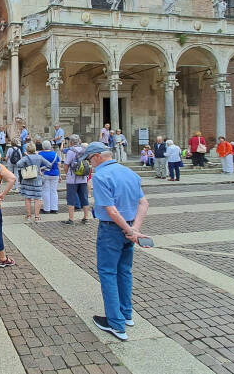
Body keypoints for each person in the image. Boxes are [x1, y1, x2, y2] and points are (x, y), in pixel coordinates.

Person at [83, 142, 150, 342]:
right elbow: (143, 202)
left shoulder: (102, 176)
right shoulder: (129, 172)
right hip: (129, 227)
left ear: (96, 157)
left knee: (108, 272)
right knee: (124, 271)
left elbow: (111, 211)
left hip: (112, 229)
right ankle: (126, 314)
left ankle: (115, 323)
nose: (89, 164)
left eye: (89, 160)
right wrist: (134, 229)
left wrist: (129, 230)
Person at [17, 142, 52, 222]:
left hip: (27, 180)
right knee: (38, 198)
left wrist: (26, 167)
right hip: (37, 179)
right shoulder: (39, 157)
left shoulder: (26, 158)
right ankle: (37, 216)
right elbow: (49, 165)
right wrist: (41, 170)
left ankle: (29, 216)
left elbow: (18, 164)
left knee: (28, 198)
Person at [63, 134, 91, 224]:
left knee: (71, 198)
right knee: (84, 198)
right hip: (83, 178)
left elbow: (66, 164)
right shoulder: (84, 150)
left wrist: (67, 174)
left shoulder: (71, 151)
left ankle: (71, 219)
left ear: (71, 142)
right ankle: (86, 217)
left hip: (72, 179)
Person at [39, 140, 60, 214]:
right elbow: (58, 165)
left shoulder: (40, 154)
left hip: (45, 173)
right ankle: (54, 208)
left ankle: (47, 208)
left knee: (45, 191)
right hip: (55, 174)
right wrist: (60, 175)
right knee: (54, 191)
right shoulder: (55, 154)